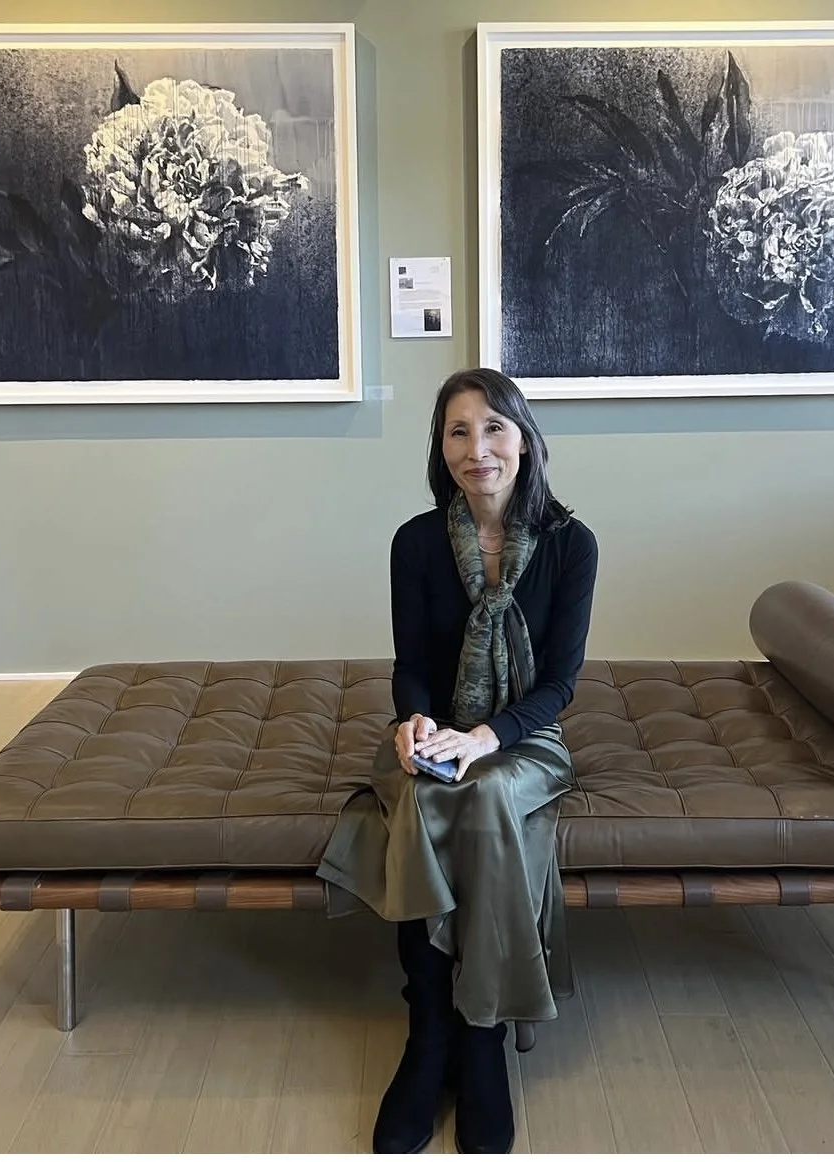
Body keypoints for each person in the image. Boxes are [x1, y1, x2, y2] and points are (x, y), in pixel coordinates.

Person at [318, 367, 598, 1154]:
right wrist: (414, 722)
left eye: (494, 428)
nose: (478, 449)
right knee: (419, 796)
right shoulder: (416, 541)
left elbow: (560, 684)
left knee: (483, 796)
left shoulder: (571, 545)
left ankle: (480, 1037)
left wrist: (487, 737)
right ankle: (430, 1032)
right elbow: (411, 663)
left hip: (521, 739)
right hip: (436, 731)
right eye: (458, 432)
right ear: (441, 449)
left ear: (525, 440)